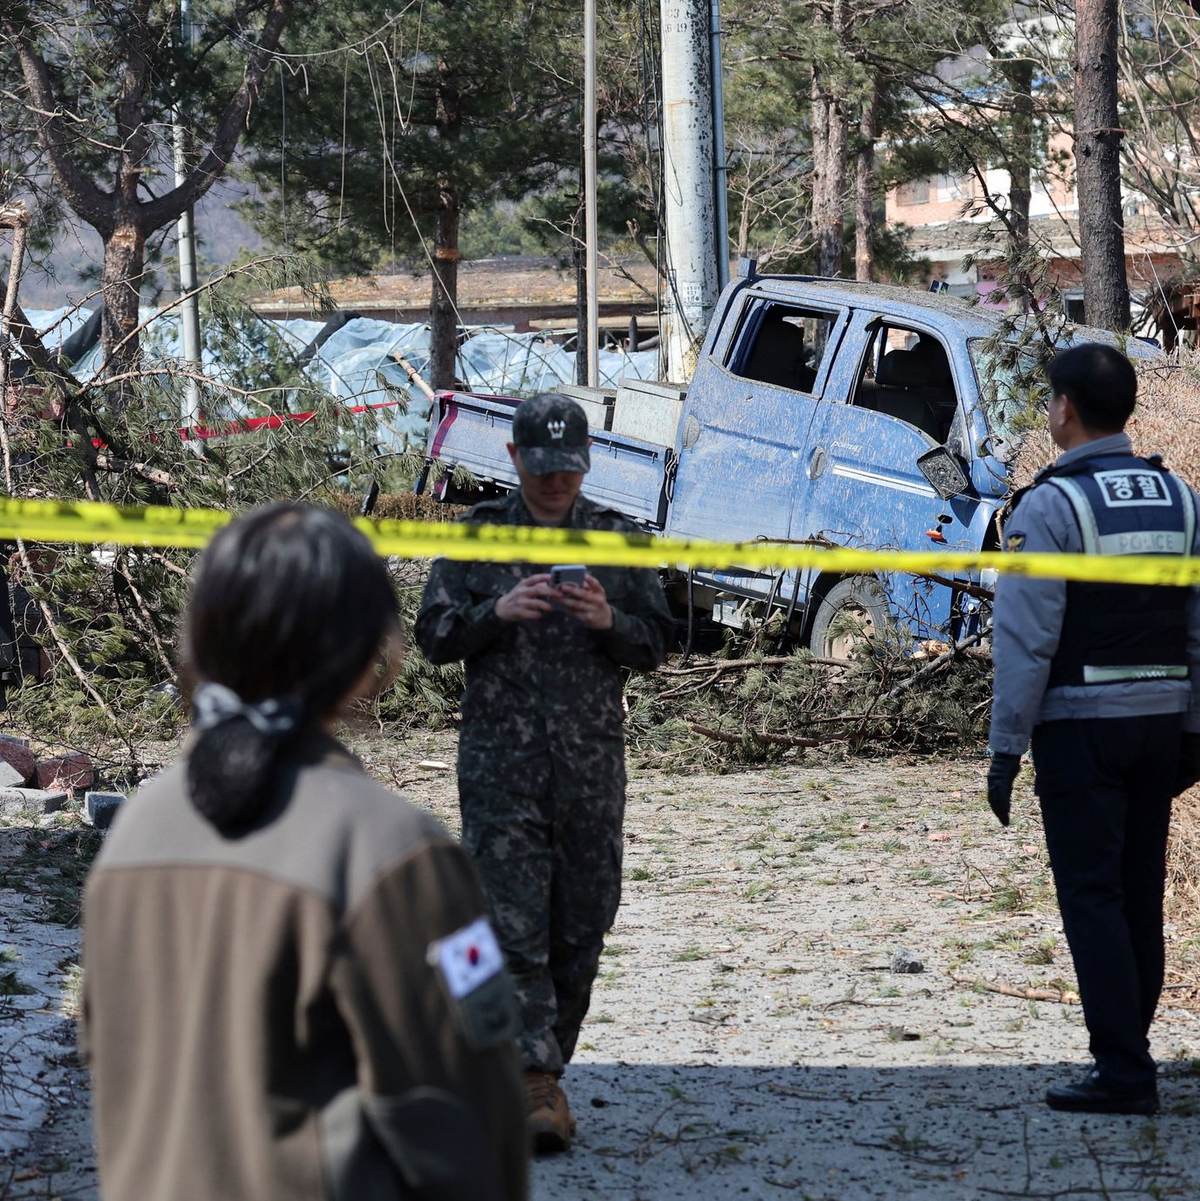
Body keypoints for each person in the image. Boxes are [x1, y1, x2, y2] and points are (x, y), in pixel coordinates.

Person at [82, 503, 527, 1201]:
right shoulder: (395, 851)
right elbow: (469, 1125)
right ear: (367, 654)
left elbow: (107, 1057)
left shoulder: (133, 833)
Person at [415, 392, 673, 1152]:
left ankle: (535, 1069)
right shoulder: (481, 535)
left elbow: (658, 642)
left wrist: (609, 620)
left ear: (586, 462)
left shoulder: (618, 539)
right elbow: (433, 635)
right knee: (512, 927)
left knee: (582, 927)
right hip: (501, 768)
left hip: (590, 770)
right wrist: (496, 611)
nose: (556, 481)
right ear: (514, 459)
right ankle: (532, 1083)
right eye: (542, 467)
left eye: (569, 467)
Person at [987, 343, 1200, 1116]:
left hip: (1083, 730)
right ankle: (1128, 1052)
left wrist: (1005, 747)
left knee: (1091, 895)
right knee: (1138, 892)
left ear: (1065, 409)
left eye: (1050, 400)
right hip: (1162, 729)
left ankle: (1123, 1071)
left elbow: (1025, 640)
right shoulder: (1180, 498)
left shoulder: (1050, 507)